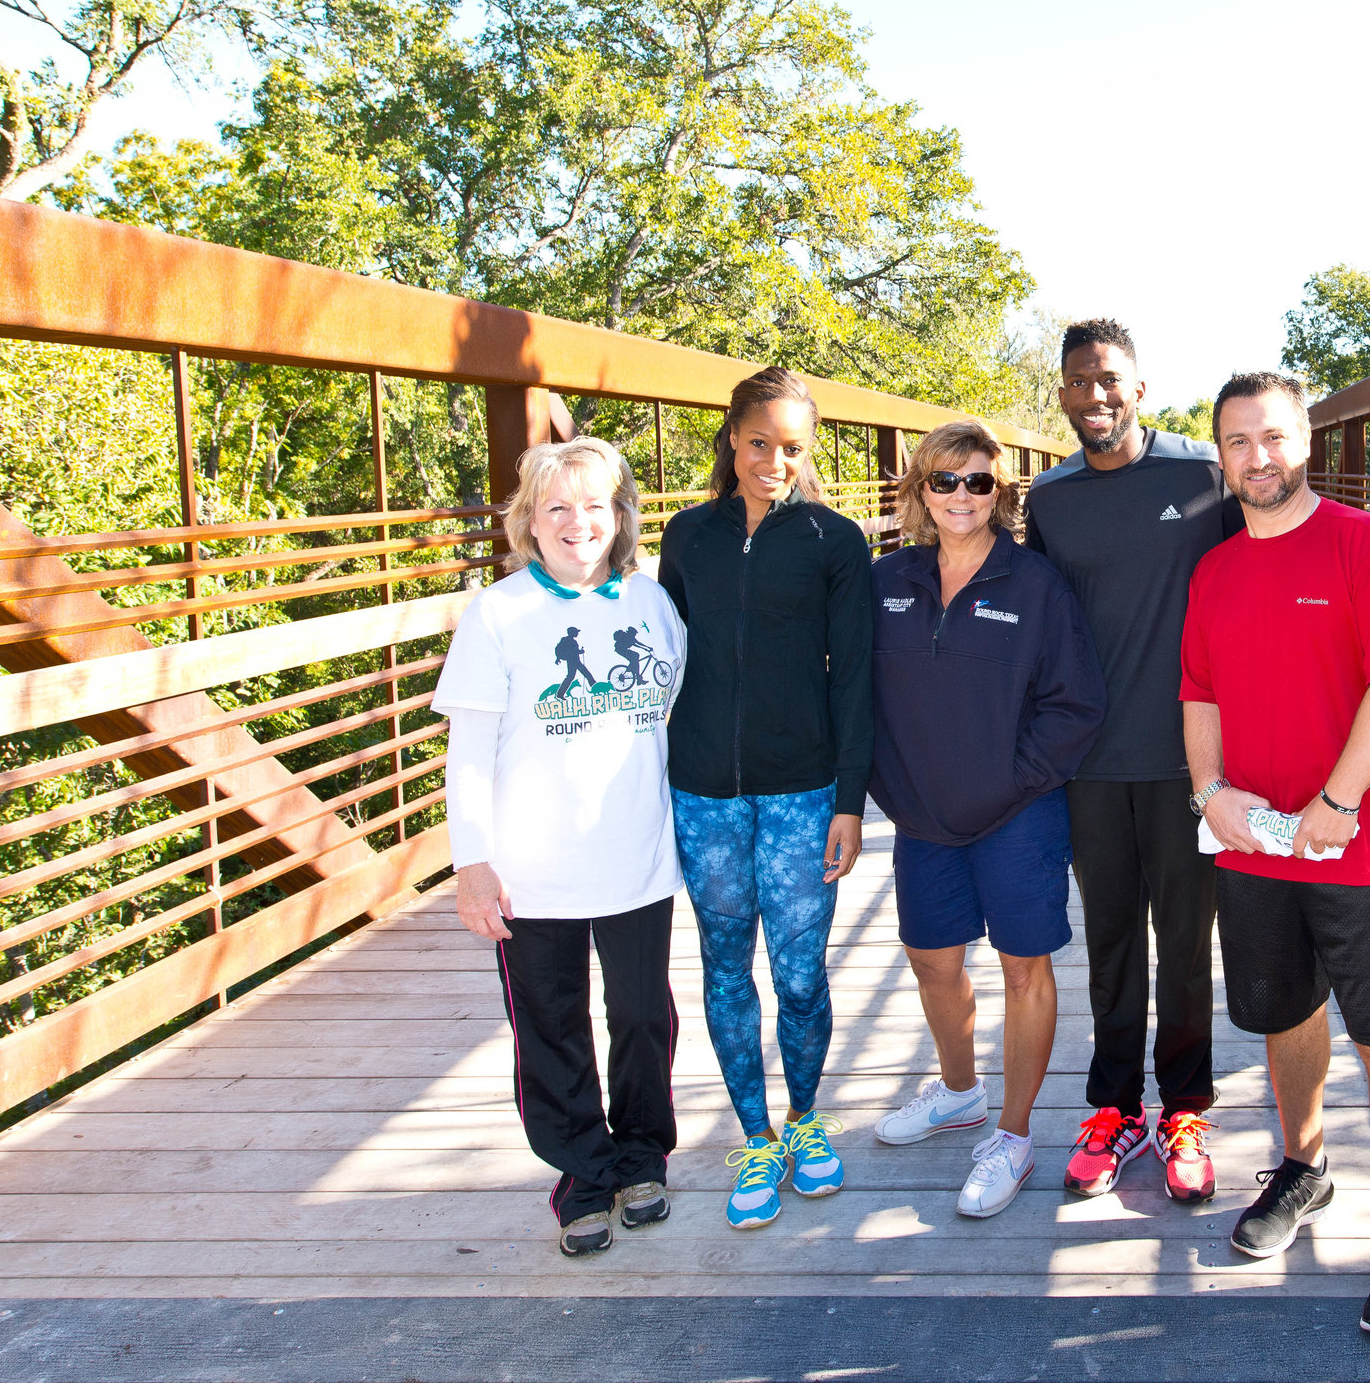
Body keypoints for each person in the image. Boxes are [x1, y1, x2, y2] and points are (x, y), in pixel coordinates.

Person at [1181, 371, 1370, 1340]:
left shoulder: (1365, 546)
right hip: (1254, 847)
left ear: (1306, 442)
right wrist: (1210, 792)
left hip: (1366, 848)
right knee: (1283, 1017)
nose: (1259, 455)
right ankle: (1304, 1166)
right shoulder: (1213, 571)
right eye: (1239, 441)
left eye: (1275, 436)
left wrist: (1339, 798)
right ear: (1220, 456)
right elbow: (1197, 695)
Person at [433, 436, 687, 1259]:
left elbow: (672, 704)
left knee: (645, 1017)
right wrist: (473, 862)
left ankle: (641, 1154)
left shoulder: (650, 602)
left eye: (597, 505)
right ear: (529, 523)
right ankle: (583, 1172)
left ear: (621, 516)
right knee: (551, 1024)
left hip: (638, 859)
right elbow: (467, 750)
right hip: (531, 874)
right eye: (559, 507)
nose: (580, 523)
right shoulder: (498, 612)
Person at [1021, 318, 1240, 1202]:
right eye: (1077, 382)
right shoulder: (1052, 497)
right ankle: (1114, 1108)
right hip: (1091, 762)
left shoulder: (1201, 473)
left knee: (1186, 943)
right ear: (1064, 394)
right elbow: (1038, 620)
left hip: (1192, 759)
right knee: (1111, 944)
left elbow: (1255, 575)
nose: (1094, 395)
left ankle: (1185, 1105)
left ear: (1139, 388)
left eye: (1108, 379)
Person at [867, 420, 1106, 1219]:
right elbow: (850, 690)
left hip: (1018, 814)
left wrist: (1013, 783)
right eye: (944, 480)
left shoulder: (1034, 584)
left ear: (1001, 492)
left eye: (979, 481)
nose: (961, 495)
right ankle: (961, 1092)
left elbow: (1076, 705)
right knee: (933, 959)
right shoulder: (886, 581)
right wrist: (882, 785)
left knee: (1022, 966)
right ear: (919, 490)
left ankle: (1011, 1131)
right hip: (922, 816)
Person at [656, 367, 876, 1230]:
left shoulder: (834, 539)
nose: (772, 462)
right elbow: (655, 657)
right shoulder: (686, 537)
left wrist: (850, 803)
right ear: (732, 438)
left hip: (803, 792)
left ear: (807, 450)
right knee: (722, 965)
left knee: (799, 974)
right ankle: (755, 1135)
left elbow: (856, 679)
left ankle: (805, 1119)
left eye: (791, 447)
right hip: (703, 791)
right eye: (757, 442)